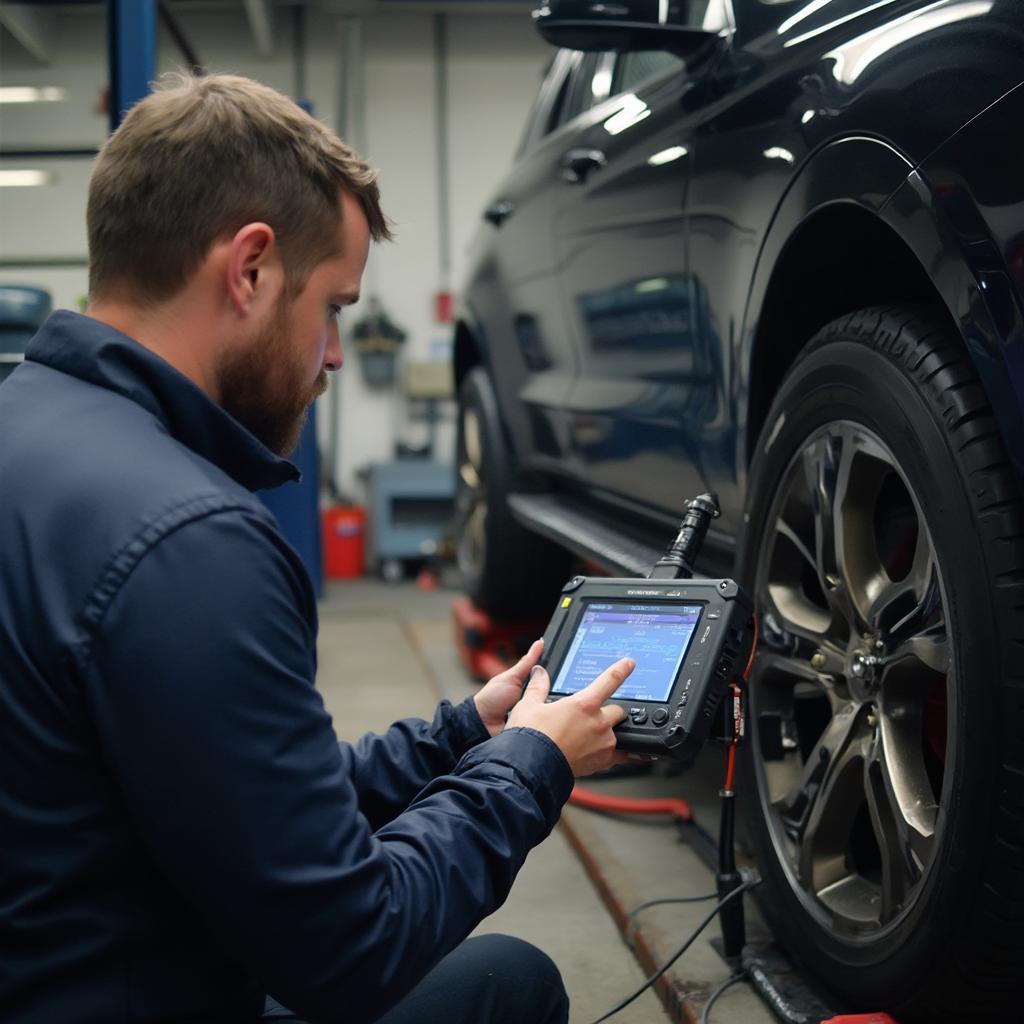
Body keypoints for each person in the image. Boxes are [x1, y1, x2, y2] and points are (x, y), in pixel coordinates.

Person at [0, 73, 634, 1024]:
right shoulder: (192, 539)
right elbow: (351, 949)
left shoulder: (28, 428)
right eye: (334, 307)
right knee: (511, 982)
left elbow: (237, 794)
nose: (335, 355)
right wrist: (532, 767)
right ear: (250, 269)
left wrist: (466, 736)